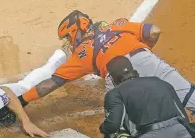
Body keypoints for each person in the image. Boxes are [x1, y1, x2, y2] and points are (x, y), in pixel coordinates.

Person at [17, 10, 195, 117]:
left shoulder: (81, 54)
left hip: (118, 78)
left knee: (122, 119)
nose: (68, 41)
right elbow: (154, 31)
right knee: (188, 96)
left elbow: (48, 85)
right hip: (146, 59)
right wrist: (145, 50)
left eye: (67, 37)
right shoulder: (115, 26)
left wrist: (22, 100)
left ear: (75, 31)